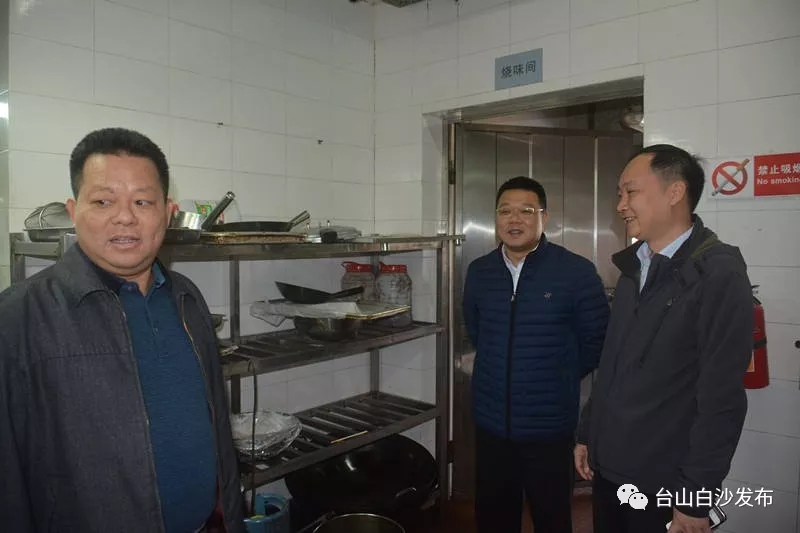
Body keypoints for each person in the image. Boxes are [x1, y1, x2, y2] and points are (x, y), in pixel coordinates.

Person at [0, 127, 246, 532]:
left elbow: (219, 432)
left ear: (167, 213)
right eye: (103, 201)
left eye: (142, 201)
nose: (125, 217)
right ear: (73, 210)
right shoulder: (18, 317)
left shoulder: (187, 298)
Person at [574, 145, 753, 533]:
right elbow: (612, 363)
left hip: (664, 482)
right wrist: (588, 433)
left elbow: (721, 399)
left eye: (631, 192)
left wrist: (695, 498)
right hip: (611, 472)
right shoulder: (634, 268)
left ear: (675, 192)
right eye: (619, 194)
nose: (621, 205)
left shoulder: (716, 274)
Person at [462, 176, 610, 533]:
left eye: (526, 211)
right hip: (491, 422)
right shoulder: (480, 272)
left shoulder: (575, 272)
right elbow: (477, 331)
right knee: (493, 517)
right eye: (505, 211)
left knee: (551, 517)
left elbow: (597, 340)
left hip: (549, 425)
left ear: (544, 217)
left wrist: (558, 374)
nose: (514, 220)